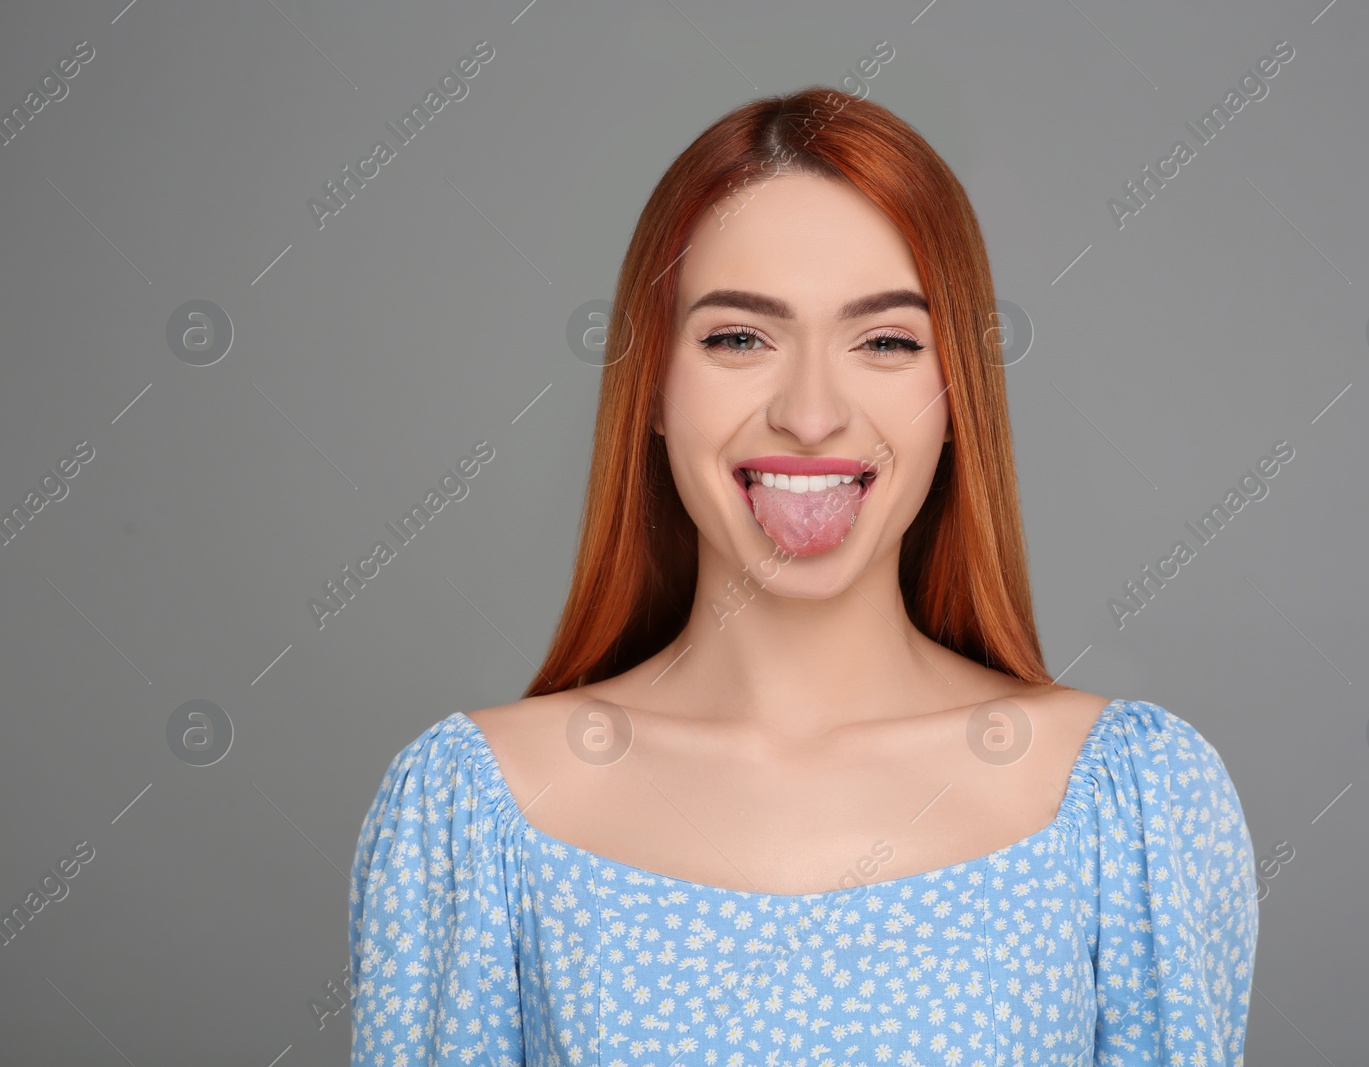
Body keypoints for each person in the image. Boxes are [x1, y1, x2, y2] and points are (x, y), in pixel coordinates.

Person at [348, 85, 1259, 1066]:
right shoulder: (473, 814)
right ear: (651, 385)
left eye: (886, 342)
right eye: (739, 337)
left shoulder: (1129, 808)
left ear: (955, 397)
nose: (813, 412)